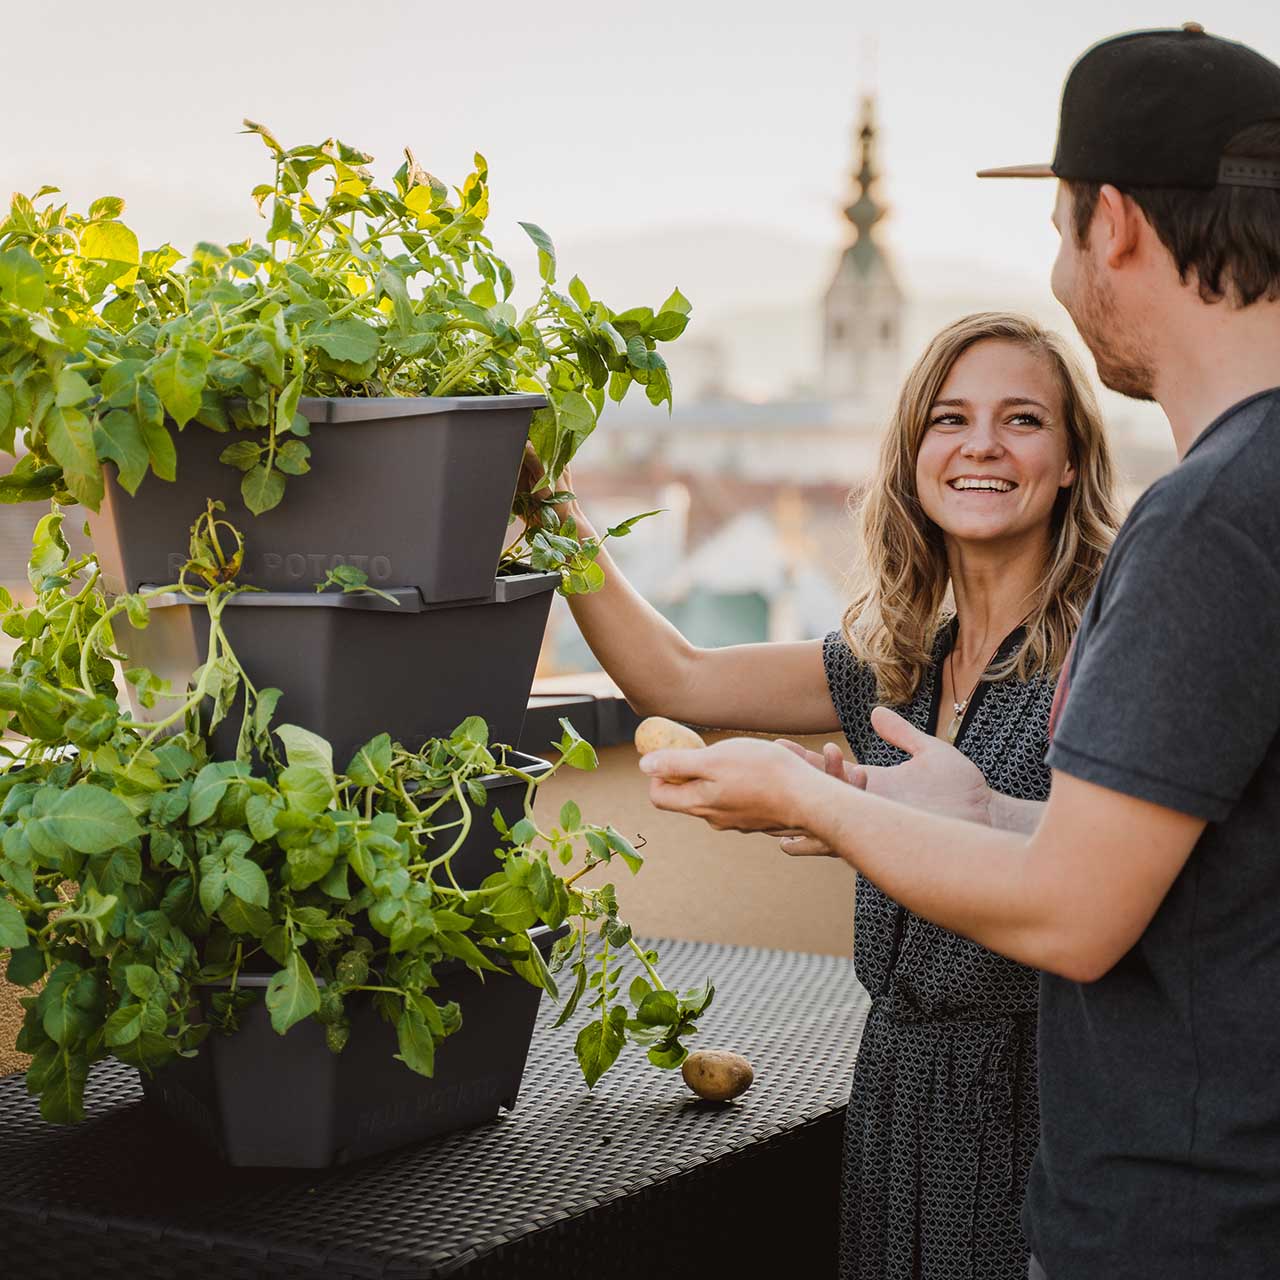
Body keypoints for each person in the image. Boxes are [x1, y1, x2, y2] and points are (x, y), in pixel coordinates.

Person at [637, 26, 1280, 1280]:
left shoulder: (1205, 520)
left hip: (1175, 1229)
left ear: (1115, 229)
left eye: (1057, 227)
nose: (1055, 265)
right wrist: (977, 806)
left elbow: (1074, 914)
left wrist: (804, 797)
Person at [525, 311, 1119, 1279]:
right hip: (894, 1092)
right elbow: (675, 679)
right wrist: (547, 507)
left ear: (1066, 462)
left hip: (1043, 1101)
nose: (979, 443)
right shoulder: (897, 661)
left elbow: (1108, 876)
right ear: (912, 456)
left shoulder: (1103, 651)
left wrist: (833, 809)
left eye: (1021, 420)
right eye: (948, 418)